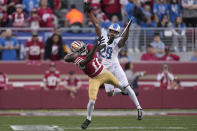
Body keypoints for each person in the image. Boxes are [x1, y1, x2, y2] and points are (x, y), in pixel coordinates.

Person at [85, 2, 143, 122]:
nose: (112, 33)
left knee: (127, 86)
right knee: (109, 93)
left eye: (115, 32)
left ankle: (139, 108)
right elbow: (96, 25)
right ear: (108, 30)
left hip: (115, 66)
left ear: (117, 34)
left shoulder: (118, 42)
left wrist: (128, 28)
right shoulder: (103, 37)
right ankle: (123, 90)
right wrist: (89, 13)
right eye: (111, 31)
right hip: (105, 69)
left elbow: (124, 39)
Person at [64, 37, 125, 129]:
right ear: (76, 51)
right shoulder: (76, 59)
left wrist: (108, 42)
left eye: (83, 47)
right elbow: (87, 59)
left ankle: (126, 92)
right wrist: (95, 47)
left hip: (103, 72)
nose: (84, 49)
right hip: (94, 78)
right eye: (81, 49)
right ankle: (88, 119)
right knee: (92, 101)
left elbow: (98, 48)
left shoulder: (88, 48)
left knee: (121, 86)